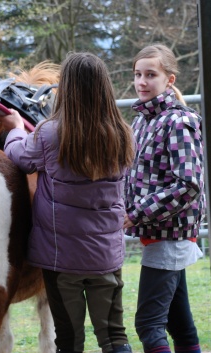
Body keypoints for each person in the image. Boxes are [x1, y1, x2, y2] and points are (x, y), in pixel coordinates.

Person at [0, 52, 135, 353]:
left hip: (61, 260)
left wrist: (16, 129)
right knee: (114, 336)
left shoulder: (51, 133)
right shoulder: (123, 134)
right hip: (106, 257)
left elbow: (19, 157)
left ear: (67, 90)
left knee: (69, 339)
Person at [123, 44, 205, 353]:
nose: (142, 82)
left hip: (169, 235)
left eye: (150, 75)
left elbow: (189, 184)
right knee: (179, 324)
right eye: (137, 74)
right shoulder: (143, 121)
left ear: (169, 80)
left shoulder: (178, 122)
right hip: (156, 235)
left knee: (148, 325)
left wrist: (138, 213)